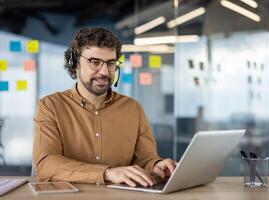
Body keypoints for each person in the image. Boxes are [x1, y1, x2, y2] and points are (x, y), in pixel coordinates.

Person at [32, 27, 176, 187]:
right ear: (75, 64)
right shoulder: (50, 106)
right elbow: (45, 164)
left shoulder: (133, 109)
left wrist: (157, 166)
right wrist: (107, 173)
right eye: (95, 62)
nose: (105, 71)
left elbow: (145, 160)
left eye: (111, 63)